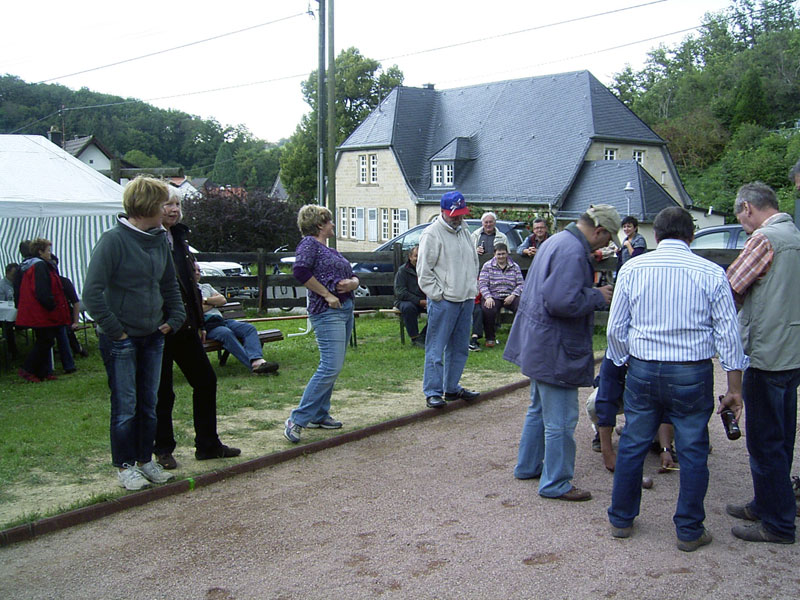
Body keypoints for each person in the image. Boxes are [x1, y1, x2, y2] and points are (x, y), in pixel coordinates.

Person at [606, 206, 747, 552]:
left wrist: (625, 360)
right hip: (691, 370)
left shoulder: (633, 268)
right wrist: (734, 388)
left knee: (634, 443)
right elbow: (729, 335)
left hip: (643, 367)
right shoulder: (712, 273)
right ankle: (688, 529)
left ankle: (621, 518)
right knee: (694, 449)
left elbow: (615, 329)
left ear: (656, 234)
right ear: (691, 235)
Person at [505, 205, 619, 502]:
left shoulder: (556, 241)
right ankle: (556, 482)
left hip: (539, 343)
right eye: (606, 239)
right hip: (555, 348)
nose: (605, 245)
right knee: (562, 419)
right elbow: (560, 302)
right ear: (599, 231)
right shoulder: (571, 251)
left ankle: (529, 466)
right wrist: (597, 295)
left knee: (538, 410)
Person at [82, 176, 185, 491]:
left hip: (153, 334)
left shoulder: (158, 240)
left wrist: (176, 316)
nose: (168, 209)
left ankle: (145, 460)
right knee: (125, 404)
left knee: (149, 402)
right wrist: (116, 330)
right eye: (162, 203)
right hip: (122, 340)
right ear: (146, 207)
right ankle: (125, 466)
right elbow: (92, 293)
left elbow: (168, 284)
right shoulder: (113, 241)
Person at [725, 181, 800, 545]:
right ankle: (767, 502)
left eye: (740, 215)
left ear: (747, 208)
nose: (741, 222)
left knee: (765, 441)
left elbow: (731, 287)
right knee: (783, 436)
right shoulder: (795, 236)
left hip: (768, 354)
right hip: (792, 352)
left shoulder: (764, 240)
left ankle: (778, 523)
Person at [155, 190, 240, 469]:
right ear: (154, 206)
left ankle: (207, 444)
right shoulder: (149, 239)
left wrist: (200, 322)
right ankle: (163, 449)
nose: (174, 209)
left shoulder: (179, 237)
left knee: (205, 380)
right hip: (159, 327)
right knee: (163, 391)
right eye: (168, 204)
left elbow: (191, 286)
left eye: (178, 204)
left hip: (187, 325)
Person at [284, 205, 360, 443]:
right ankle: (297, 419)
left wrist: (353, 283)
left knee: (333, 365)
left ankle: (319, 413)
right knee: (330, 366)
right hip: (327, 312)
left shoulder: (329, 249)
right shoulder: (309, 244)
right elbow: (300, 271)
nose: (333, 225)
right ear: (319, 224)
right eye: (329, 221)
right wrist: (327, 295)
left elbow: (352, 275)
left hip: (344, 308)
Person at [417, 191, 481, 408]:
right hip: (445, 300)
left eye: (461, 214)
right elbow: (424, 271)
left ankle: (451, 388)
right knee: (436, 348)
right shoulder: (432, 234)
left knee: (460, 348)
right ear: (443, 211)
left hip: (466, 298)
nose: (458, 218)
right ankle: (433, 391)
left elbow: (473, 260)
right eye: (454, 214)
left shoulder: (464, 231)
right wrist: (438, 295)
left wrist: (473, 286)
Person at [195, 263, 279, 374]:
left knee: (248, 328)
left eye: (199, 270)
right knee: (226, 333)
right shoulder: (185, 292)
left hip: (221, 321)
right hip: (207, 326)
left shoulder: (206, 286)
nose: (197, 273)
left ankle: (256, 359)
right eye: (194, 270)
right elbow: (195, 311)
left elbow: (222, 300)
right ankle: (254, 367)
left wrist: (205, 300)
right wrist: (213, 303)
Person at [14, 238, 72, 382]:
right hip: (41, 311)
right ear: (40, 252)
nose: (50, 254)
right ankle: (28, 369)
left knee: (45, 340)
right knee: (45, 341)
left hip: (34, 310)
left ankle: (42, 372)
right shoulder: (39, 266)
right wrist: (51, 305)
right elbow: (42, 290)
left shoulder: (27, 265)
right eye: (48, 251)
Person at [477, 243, 523, 347]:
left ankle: (519, 337)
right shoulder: (487, 266)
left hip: (510, 296)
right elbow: (482, 284)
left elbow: (521, 284)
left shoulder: (515, 266)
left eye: (503, 254)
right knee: (488, 309)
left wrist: (513, 295)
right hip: (493, 296)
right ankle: (490, 338)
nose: (501, 256)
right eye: (499, 254)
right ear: (494, 254)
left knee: (523, 307)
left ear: (507, 253)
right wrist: (488, 297)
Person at [394, 245, 427, 348]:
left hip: (425, 300)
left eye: (421, 256)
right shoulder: (403, 271)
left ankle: (423, 336)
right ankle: (414, 337)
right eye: (416, 256)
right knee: (408, 308)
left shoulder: (428, 269)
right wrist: (419, 301)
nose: (418, 259)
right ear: (410, 257)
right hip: (406, 300)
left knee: (439, 308)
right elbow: (400, 292)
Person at [1, 263, 19, 360]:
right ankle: (12, 351)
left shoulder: (17, 283)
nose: (14, 277)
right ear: (7, 273)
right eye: (13, 275)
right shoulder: (2, 285)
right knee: (8, 327)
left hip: (16, 312)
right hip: (5, 316)